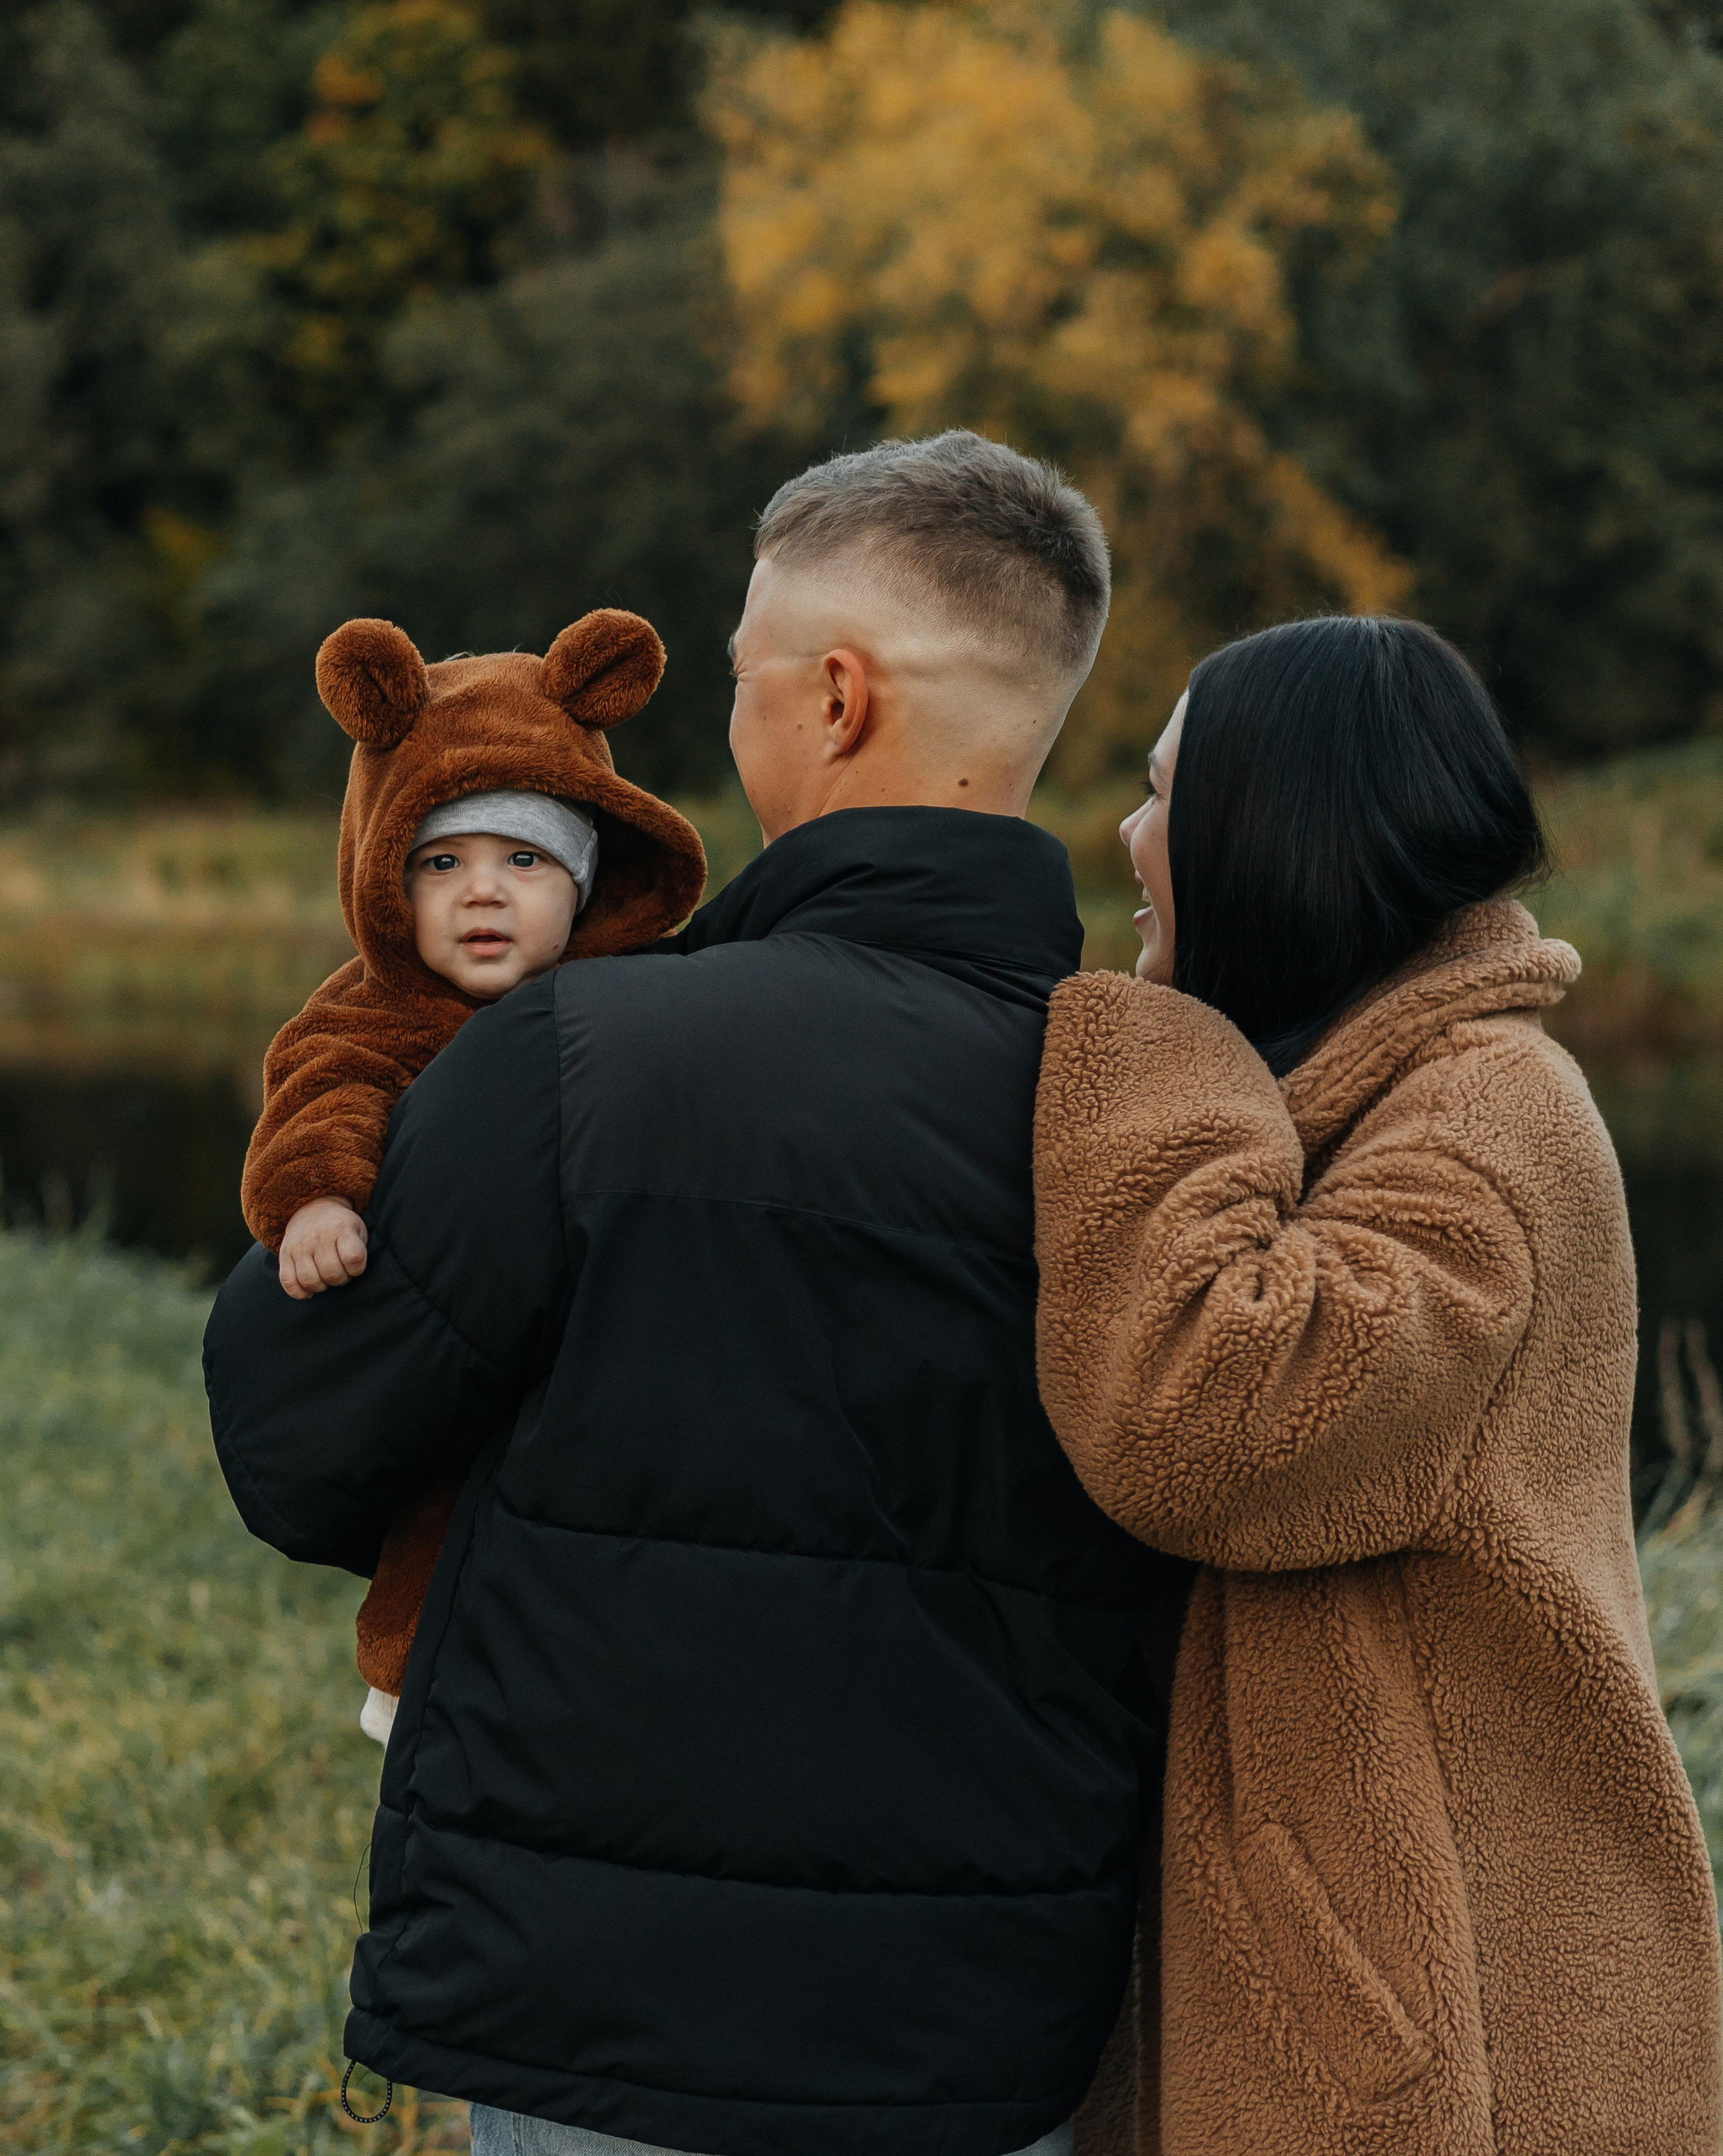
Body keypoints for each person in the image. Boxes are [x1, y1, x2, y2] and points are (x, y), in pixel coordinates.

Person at [203, 429, 1183, 2156]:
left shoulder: (577, 1056)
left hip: (596, 2012)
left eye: (740, 675)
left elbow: (296, 1437)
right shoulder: (1159, 1103)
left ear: (835, 696)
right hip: (984, 2034)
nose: (731, 718)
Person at [1032, 616, 1723, 2156]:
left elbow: (1203, 1423)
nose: (1129, 835)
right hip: (1378, 1977)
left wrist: (1153, 1061)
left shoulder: (1488, 1119)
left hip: (1455, 2023)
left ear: (1274, 832)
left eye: (1163, 793)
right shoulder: (1378, 1095)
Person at [238, 606, 706, 1745]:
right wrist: (317, 1198)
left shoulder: (637, 998)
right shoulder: (377, 1010)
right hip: (454, 1336)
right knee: (446, 1515)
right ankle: (409, 1679)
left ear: (588, 878)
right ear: (386, 879)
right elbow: (322, 1086)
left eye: (524, 860)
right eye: (441, 862)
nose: (482, 892)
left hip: (616, 1334)